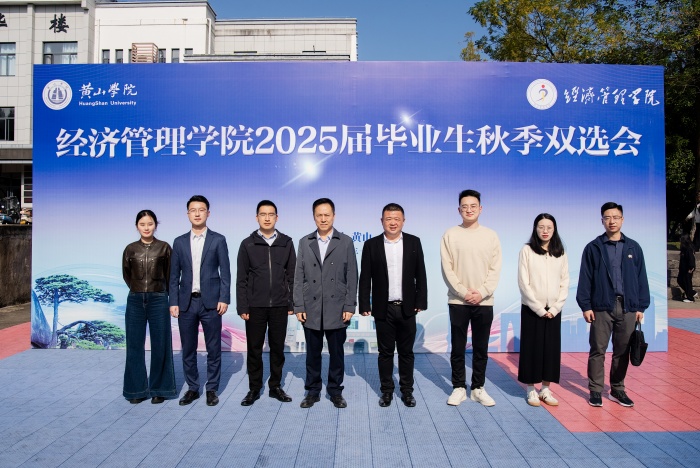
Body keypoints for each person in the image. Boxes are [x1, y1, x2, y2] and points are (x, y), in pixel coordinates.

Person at [576, 202, 649, 408]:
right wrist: (586, 306)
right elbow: (585, 279)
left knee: (622, 351)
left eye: (616, 217)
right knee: (597, 350)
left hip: (628, 307)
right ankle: (595, 390)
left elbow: (641, 278)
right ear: (602, 220)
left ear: (622, 219)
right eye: (607, 217)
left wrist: (641, 307)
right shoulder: (593, 248)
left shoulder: (633, 247)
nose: (612, 221)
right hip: (601, 307)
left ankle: (617, 389)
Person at [359, 203, 427, 408]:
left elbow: (421, 274)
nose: (393, 223)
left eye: (397, 219)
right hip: (383, 308)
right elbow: (365, 278)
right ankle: (386, 391)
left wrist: (420, 301)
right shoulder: (371, 245)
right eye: (389, 219)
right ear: (382, 221)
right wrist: (364, 303)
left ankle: (407, 391)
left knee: (406, 353)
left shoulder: (414, 242)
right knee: (385, 353)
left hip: (407, 308)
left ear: (403, 221)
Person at [293, 198, 358, 409]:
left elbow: (352, 276)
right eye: (319, 215)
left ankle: (335, 391)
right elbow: (298, 276)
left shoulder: (345, 242)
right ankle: (312, 391)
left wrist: (349, 306)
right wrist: (299, 306)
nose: (323, 219)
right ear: (314, 217)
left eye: (327, 215)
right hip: (311, 307)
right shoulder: (304, 242)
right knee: (312, 354)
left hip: (337, 307)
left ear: (334, 216)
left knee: (336, 354)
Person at [441, 189, 501, 407]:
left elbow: (495, 269)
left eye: (473, 206)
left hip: (484, 301)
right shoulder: (450, 234)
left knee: (481, 348)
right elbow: (447, 269)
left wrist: (482, 292)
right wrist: (463, 292)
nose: (469, 210)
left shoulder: (491, 235)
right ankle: (458, 387)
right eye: (464, 206)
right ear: (459, 209)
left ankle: (477, 388)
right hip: (458, 301)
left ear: (480, 209)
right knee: (458, 347)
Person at [169, 195, 231, 407]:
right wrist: (173, 301)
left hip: (211, 303)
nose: (197, 214)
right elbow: (174, 276)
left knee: (213, 348)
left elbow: (225, 272)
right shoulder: (179, 242)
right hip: (186, 303)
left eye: (201, 210)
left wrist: (224, 298)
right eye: (193, 210)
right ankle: (193, 388)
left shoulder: (218, 240)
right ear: (187, 214)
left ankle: (212, 389)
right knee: (188, 348)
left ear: (208, 213)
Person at [236, 200, 296, 406]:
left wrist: (292, 303)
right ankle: (254, 388)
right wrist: (243, 306)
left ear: (277, 218)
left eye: (271, 214)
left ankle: (275, 386)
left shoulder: (286, 242)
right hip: (255, 306)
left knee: (278, 348)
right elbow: (242, 278)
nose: (267, 218)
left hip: (280, 305)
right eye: (263, 214)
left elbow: (292, 276)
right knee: (254, 349)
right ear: (257, 218)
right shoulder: (247, 244)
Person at [122, 210, 176, 404]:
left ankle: (160, 389)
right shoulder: (130, 249)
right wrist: (138, 290)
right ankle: (136, 391)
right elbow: (127, 275)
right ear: (137, 226)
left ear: (155, 225)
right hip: (135, 300)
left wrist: (167, 298)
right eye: (142, 224)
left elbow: (170, 276)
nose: (146, 227)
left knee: (160, 344)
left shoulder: (164, 248)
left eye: (150, 224)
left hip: (159, 299)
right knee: (134, 345)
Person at [517, 213, 569, 407]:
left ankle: (545, 389)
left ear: (554, 230)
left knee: (551, 351)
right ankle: (531, 389)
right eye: (541, 227)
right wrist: (538, 308)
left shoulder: (560, 252)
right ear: (535, 229)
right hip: (532, 308)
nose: (545, 231)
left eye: (549, 227)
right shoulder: (527, 250)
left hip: (553, 310)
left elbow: (565, 282)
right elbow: (524, 282)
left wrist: (555, 308)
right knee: (531, 349)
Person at [677, 234, 696, 303]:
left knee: (687, 282)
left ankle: (690, 298)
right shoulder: (684, 248)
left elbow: (691, 259)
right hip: (683, 268)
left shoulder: (689, 248)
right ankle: (692, 292)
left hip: (688, 269)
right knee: (680, 280)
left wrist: (691, 267)